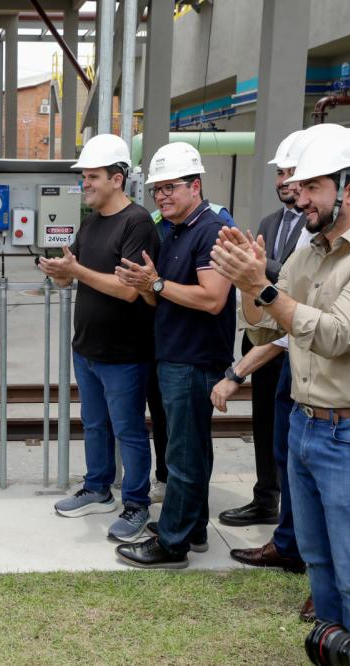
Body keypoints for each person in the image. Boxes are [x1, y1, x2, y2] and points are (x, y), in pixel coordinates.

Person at [211, 126, 350, 640]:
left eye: (311, 187)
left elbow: (335, 334)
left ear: (349, 190)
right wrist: (250, 282)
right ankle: (337, 647)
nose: (297, 196)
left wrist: (260, 286)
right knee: (320, 564)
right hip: (306, 426)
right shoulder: (311, 252)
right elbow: (263, 325)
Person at [114, 142, 236, 568]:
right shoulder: (174, 229)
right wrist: (148, 286)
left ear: (195, 185)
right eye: (156, 190)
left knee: (183, 455)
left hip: (194, 359)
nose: (162, 197)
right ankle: (192, 525)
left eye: (170, 187)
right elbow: (159, 298)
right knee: (189, 451)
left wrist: (158, 285)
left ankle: (172, 543)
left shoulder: (212, 228)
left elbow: (212, 299)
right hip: (175, 354)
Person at [38, 134, 158, 542]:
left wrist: (75, 272)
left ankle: (137, 504)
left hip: (124, 352)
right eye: (84, 177)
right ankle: (97, 488)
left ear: (118, 179)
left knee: (128, 431)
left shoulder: (137, 222)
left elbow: (128, 290)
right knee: (93, 424)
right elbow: (75, 270)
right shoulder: (90, 223)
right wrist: (58, 273)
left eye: (92, 177)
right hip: (87, 348)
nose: (84, 184)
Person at [219, 130, 306, 528]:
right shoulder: (271, 221)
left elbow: (285, 276)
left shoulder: (318, 223)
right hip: (262, 337)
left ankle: (292, 511)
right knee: (265, 425)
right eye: (280, 173)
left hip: (295, 341)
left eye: (291, 172)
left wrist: (260, 267)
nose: (283, 181)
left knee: (290, 432)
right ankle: (265, 498)